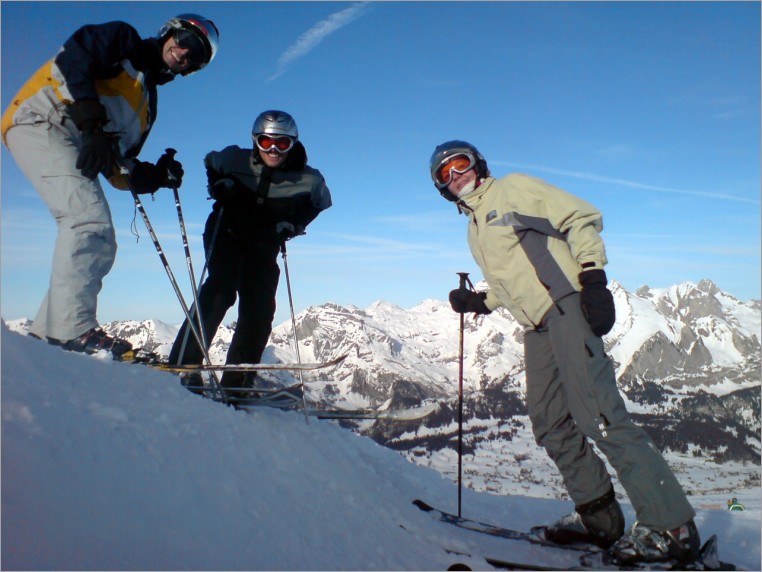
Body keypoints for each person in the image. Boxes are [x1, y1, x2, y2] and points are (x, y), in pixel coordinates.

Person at [431, 140, 701, 565]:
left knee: (601, 416)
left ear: (478, 164)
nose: (455, 176)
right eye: (443, 175)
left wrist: (593, 278)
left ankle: (672, 529)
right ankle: (600, 519)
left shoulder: (512, 190)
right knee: (550, 423)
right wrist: (482, 303)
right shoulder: (475, 225)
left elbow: (580, 217)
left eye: (459, 164)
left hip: (567, 307)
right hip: (536, 325)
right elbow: (510, 279)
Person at [1, 14, 219, 358]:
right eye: (186, 42)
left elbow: (119, 168)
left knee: (104, 240)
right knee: (88, 222)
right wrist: (91, 125)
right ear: (169, 33)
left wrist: (157, 176)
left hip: (76, 143)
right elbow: (74, 57)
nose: (184, 54)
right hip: (43, 119)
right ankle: (71, 332)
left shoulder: (147, 106)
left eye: (196, 58)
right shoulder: (125, 42)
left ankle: (47, 341)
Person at [168, 110, 332, 399]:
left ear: (293, 144)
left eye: (282, 144)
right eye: (265, 141)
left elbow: (318, 203)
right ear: (255, 140)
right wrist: (218, 185)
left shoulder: (309, 179)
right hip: (227, 231)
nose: (272, 150)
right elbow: (210, 162)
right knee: (221, 289)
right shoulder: (234, 159)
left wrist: (295, 224)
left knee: (260, 307)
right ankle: (184, 365)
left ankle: (238, 381)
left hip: (264, 241)